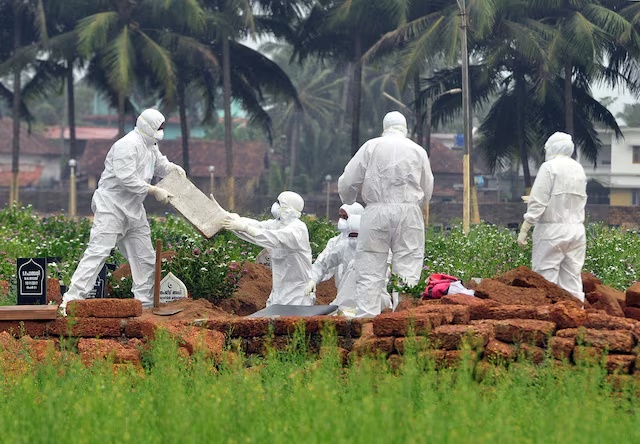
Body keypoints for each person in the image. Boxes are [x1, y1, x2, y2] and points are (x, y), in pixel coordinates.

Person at [60, 109, 186, 313]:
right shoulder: (126, 146)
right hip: (112, 207)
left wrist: (173, 168)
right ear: (146, 126)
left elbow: (159, 165)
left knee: (145, 258)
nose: (161, 132)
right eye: (158, 128)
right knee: (98, 252)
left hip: (134, 209)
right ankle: (70, 302)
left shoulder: (150, 145)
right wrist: (153, 190)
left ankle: (144, 305)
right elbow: (125, 178)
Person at [338, 111, 434, 318]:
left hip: (376, 211)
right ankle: (404, 318)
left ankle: (366, 318)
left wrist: (348, 199)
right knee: (408, 265)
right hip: (409, 212)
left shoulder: (371, 146)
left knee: (370, 266)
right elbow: (428, 188)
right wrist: (418, 202)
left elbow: (348, 179)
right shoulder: (418, 150)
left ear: (384, 127)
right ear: (405, 128)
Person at [517, 131, 587, 304]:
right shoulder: (578, 168)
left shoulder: (550, 167)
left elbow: (539, 201)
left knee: (544, 278)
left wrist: (525, 227)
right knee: (572, 279)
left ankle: (546, 320)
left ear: (551, 148)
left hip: (552, 230)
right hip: (577, 230)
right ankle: (576, 318)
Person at [221, 191, 314, 306]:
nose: (275, 205)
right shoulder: (278, 224)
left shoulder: (298, 229)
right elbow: (259, 226)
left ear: (287, 207)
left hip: (298, 295)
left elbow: (275, 238)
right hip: (279, 294)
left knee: (294, 322)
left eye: (279, 203)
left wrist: (245, 228)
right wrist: (234, 219)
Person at [304, 215, 361, 314]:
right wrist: (313, 279)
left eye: (357, 236)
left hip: (368, 301)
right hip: (344, 301)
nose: (354, 240)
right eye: (351, 236)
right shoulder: (343, 247)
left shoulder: (374, 249)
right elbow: (322, 264)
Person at [313, 202, 364, 286]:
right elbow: (322, 263)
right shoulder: (336, 243)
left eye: (345, 217)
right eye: (340, 216)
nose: (341, 221)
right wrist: (313, 280)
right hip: (344, 293)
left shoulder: (371, 243)